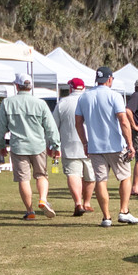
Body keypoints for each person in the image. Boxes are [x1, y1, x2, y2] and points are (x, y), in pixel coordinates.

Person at [75, 66, 138, 227]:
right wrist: (130, 144)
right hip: (115, 145)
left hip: (95, 147)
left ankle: (106, 217)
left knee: (101, 180)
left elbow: (78, 123)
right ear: (110, 79)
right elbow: (123, 121)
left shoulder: (84, 97)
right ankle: (124, 211)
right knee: (125, 177)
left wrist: (85, 143)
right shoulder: (114, 96)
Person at [0, 73, 61, 219]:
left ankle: (30, 211)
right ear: (30, 86)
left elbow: (0, 127)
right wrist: (55, 145)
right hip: (38, 145)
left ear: (17, 86)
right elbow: (51, 127)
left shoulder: (7, 103)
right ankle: (43, 199)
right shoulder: (40, 104)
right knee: (41, 175)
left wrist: (0, 145)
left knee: (23, 179)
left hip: (18, 147)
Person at [55, 78, 92, 216]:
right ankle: (87, 202)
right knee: (90, 176)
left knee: (73, 174)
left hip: (69, 144)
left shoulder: (63, 103)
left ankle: (78, 202)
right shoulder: (90, 100)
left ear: (70, 88)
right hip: (90, 144)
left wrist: (53, 144)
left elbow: (54, 125)